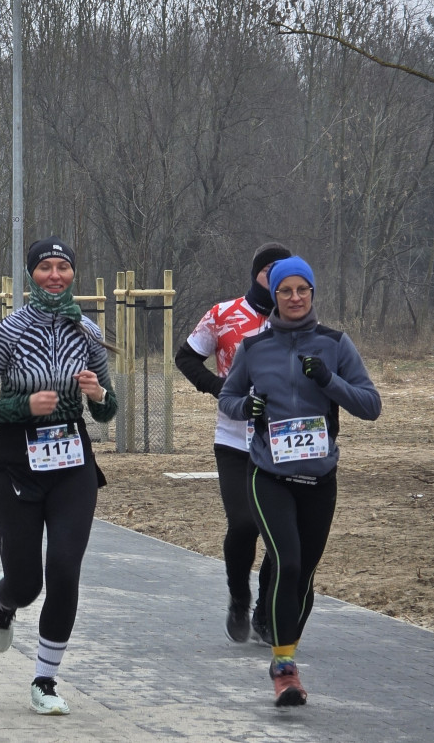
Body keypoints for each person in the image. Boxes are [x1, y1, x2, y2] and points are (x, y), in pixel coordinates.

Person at [0, 236, 117, 715]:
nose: (55, 275)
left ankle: (45, 681)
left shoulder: (87, 332)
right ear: (31, 275)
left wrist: (97, 396)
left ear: (73, 274)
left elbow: (109, 411)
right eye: (46, 267)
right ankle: (5, 601)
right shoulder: (8, 331)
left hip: (72, 463)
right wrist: (19, 406)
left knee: (65, 569)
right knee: (27, 583)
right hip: (16, 463)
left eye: (63, 267)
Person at [219, 256, 381, 707]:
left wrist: (329, 381)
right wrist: (245, 406)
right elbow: (229, 398)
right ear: (274, 296)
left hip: (319, 477)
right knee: (286, 562)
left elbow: (371, 405)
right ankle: (284, 668)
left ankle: (286, 647)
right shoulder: (254, 347)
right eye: (285, 291)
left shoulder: (335, 344)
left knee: (304, 576)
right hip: (268, 473)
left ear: (312, 294)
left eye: (302, 291)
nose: (294, 299)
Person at [174, 242, 291, 645]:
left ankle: (264, 611)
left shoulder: (294, 318)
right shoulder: (224, 314)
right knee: (243, 525)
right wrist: (219, 387)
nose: (275, 276)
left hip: (283, 442)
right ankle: (239, 598)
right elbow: (186, 357)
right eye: (268, 269)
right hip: (235, 439)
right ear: (256, 273)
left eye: (283, 270)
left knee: (280, 535)